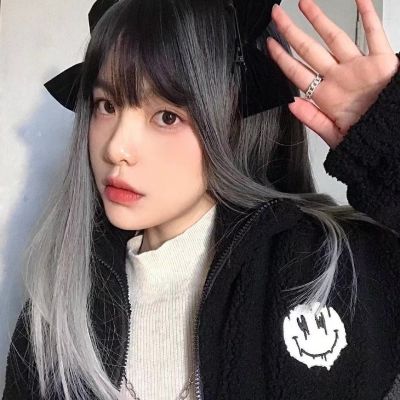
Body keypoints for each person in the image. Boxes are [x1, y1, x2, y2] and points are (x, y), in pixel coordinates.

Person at [2, 0, 400, 399]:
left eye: (167, 116)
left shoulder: (330, 267)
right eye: (107, 105)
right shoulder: (57, 312)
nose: (116, 148)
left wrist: (389, 138)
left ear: (234, 125)